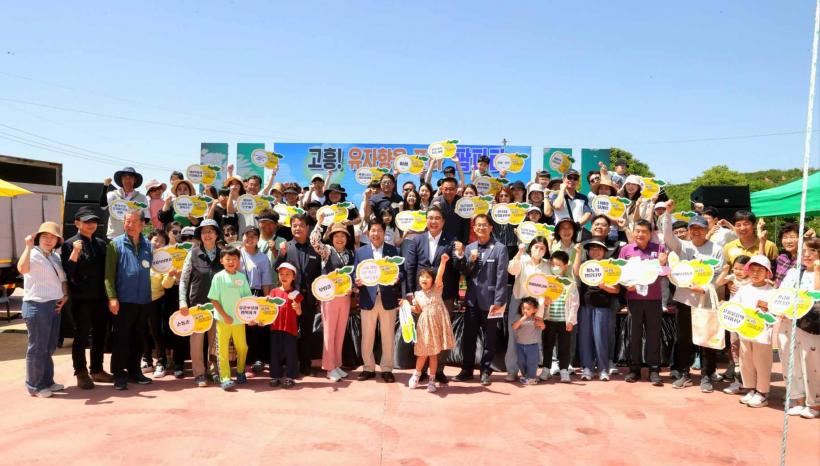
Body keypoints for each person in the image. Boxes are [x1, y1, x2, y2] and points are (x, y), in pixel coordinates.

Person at [660, 202, 725, 393]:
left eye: (700, 228)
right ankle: (684, 374)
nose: (696, 231)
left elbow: (717, 276)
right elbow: (668, 236)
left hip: (705, 299)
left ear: (707, 230)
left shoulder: (716, 249)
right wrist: (667, 214)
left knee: (706, 338)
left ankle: (706, 375)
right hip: (684, 299)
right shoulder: (683, 247)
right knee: (684, 338)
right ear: (688, 231)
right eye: (693, 228)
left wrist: (703, 288)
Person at [452, 214, 509, 386]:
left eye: (484, 225)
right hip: (472, 300)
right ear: (474, 228)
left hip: (491, 301)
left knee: (489, 338)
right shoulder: (470, 248)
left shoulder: (500, 248)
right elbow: (464, 272)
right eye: (478, 225)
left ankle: (485, 370)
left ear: (491, 227)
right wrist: (470, 260)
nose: (481, 228)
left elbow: (502, 277)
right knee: (468, 337)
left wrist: (498, 301)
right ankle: (467, 369)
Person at [404, 206, 458, 385]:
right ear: (426, 220)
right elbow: (410, 267)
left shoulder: (451, 240)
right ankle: (421, 371)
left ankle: (438, 371)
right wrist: (410, 293)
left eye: (437, 218)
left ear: (443, 221)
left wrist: (460, 254)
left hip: (444, 295)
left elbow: (456, 265)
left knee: (441, 333)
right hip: (421, 297)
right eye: (430, 218)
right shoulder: (416, 240)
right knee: (423, 334)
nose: (433, 221)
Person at [60, 206, 112, 389]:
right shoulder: (69, 244)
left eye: (94, 221)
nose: (91, 224)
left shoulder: (101, 243)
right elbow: (68, 272)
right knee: (81, 336)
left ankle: (97, 370)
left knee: (100, 335)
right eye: (87, 221)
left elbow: (107, 271)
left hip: (100, 297)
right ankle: (81, 372)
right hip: (81, 300)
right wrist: (75, 252)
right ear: (77, 223)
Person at [105, 211, 154, 390]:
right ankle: (119, 374)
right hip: (123, 301)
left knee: (139, 338)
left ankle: (135, 371)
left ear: (142, 224)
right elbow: (108, 275)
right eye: (127, 221)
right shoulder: (115, 244)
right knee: (121, 339)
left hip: (144, 301)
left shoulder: (148, 245)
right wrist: (112, 297)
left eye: (134, 222)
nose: (130, 225)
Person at [19, 222, 68, 398]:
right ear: (38, 238)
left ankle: (47, 381)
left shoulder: (55, 257)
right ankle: (34, 386)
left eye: (53, 237)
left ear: (57, 241)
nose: (48, 240)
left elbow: (62, 279)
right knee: (38, 348)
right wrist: (27, 246)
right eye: (45, 236)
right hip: (36, 305)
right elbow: (22, 269)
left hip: (54, 305)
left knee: (49, 346)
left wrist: (65, 295)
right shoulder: (32, 254)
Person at [353, 218, 404, 383]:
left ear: (384, 232)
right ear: (368, 233)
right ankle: (368, 368)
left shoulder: (393, 251)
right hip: (368, 298)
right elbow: (354, 273)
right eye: (373, 230)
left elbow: (401, 271)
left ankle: (387, 368)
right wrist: (356, 280)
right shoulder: (361, 252)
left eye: (379, 230)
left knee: (388, 335)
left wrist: (397, 277)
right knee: (367, 335)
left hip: (387, 297)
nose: (376, 233)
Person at [619, 219, 667, 386]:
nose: (640, 234)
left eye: (644, 231)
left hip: (654, 299)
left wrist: (662, 264)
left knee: (654, 335)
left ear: (650, 234)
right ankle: (634, 369)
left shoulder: (659, 249)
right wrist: (626, 285)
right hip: (634, 299)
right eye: (637, 231)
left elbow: (666, 273)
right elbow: (620, 273)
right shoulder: (626, 250)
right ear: (633, 232)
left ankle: (654, 370)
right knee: (634, 335)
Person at [274, 213, 323, 376]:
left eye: (301, 225)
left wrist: (318, 298)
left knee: (307, 333)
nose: (298, 228)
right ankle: (288, 364)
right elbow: (276, 268)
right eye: (294, 225)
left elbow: (320, 274)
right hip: (289, 298)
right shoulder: (286, 247)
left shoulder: (315, 248)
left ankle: (305, 366)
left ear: (307, 227)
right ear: (291, 227)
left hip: (309, 299)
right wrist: (280, 254)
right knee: (289, 332)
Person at [179, 219, 224, 387]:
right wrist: (182, 301)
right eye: (204, 232)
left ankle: (214, 371)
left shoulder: (224, 254)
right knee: (197, 341)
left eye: (211, 231)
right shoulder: (192, 253)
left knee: (216, 340)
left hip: (218, 305)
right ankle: (199, 373)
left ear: (217, 234)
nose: (207, 234)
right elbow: (184, 280)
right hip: (197, 305)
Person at [778, 238, 819, 418]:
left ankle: (815, 403)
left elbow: (817, 297)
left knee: (812, 362)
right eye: (803, 251)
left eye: (812, 250)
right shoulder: (793, 272)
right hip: (789, 322)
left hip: (811, 325)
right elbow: (782, 294)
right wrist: (781, 308)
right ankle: (798, 399)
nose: (807, 255)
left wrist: (817, 272)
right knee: (790, 360)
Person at [310, 218, 354, 382]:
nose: (340, 239)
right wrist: (319, 223)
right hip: (329, 297)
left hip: (345, 297)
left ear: (347, 238)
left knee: (340, 332)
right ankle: (329, 368)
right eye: (336, 236)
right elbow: (314, 241)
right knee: (329, 332)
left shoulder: (350, 254)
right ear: (332, 237)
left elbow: (352, 275)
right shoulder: (327, 251)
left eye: (343, 236)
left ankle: (337, 364)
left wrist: (353, 287)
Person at [406, 254, 456, 393]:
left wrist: (443, 262)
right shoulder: (417, 294)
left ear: (433, 281)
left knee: (434, 354)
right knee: (422, 353)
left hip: (437, 325)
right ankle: (416, 374)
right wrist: (406, 306)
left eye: (428, 277)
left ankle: (432, 380)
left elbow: (440, 275)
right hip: (424, 326)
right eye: (422, 277)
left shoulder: (436, 289)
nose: (424, 279)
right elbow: (417, 310)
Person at [573, 240, 620, 381]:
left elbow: (616, 289)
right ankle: (587, 368)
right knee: (585, 338)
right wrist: (578, 253)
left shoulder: (609, 267)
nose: (595, 251)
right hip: (585, 305)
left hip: (603, 307)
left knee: (601, 338)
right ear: (588, 252)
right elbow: (575, 272)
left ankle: (603, 369)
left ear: (604, 252)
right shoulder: (584, 265)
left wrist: (604, 286)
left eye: (599, 249)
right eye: (592, 249)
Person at [732, 255, 775, 408]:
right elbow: (734, 306)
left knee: (761, 362)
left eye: (760, 270)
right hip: (745, 332)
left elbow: (774, 313)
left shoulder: (772, 292)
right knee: (746, 361)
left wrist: (765, 314)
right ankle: (750, 388)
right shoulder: (744, 289)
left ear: (767, 272)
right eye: (753, 270)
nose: (755, 273)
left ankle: (762, 393)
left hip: (762, 334)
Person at [505, 237, 550, 381]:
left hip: (537, 305)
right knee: (514, 335)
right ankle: (512, 370)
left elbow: (550, 285)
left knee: (534, 337)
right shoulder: (523, 260)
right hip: (519, 301)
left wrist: (547, 301)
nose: (539, 250)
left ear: (546, 250)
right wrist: (519, 253)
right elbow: (512, 270)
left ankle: (530, 372)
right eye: (536, 247)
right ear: (531, 248)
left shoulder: (547, 265)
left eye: (542, 248)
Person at [207, 247, 252, 390]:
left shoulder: (242, 277)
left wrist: (250, 317)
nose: (231, 262)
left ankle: (240, 371)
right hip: (223, 320)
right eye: (228, 259)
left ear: (238, 261)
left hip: (239, 320)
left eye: (234, 259)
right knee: (223, 349)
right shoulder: (218, 277)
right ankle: (225, 377)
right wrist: (225, 316)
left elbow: (247, 299)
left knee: (242, 347)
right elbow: (213, 299)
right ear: (221, 261)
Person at [238, 226, 274, 376]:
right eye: (247, 235)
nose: (250, 239)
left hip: (256, 294)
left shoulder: (263, 258)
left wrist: (266, 303)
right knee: (242, 331)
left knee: (257, 330)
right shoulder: (236, 254)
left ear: (258, 239)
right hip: (238, 295)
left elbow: (266, 281)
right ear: (242, 237)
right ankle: (244, 361)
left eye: (253, 236)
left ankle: (258, 359)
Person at [541, 251, 579, 383]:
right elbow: (540, 298)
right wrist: (544, 303)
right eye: (552, 265)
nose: (555, 267)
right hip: (549, 319)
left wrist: (571, 321)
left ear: (565, 266)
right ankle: (546, 369)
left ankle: (564, 370)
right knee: (547, 345)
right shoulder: (546, 281)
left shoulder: (570, 283)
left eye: (558, 265)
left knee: (564, 347)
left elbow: (574, 303)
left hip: (564, 321)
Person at [716, 254, 751, 393]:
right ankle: (737, 381)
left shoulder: (751, 281)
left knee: (746, 349)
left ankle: (748, 382)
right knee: (734, 345)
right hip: (733, 319)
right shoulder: (732, 278)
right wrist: (725, 272)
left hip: (747, 320)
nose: (738, 271)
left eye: (741, 269)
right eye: (735, 268)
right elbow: (719, 282)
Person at [144, 230, 176, 378]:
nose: (158, 244)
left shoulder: (164, 260)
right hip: (139, 299)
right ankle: (147, 360)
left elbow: (166, 284)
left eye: (162, 242)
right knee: (141, 331)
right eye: (156, 240)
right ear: (149, 240)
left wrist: (170, 276)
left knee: (156, 331)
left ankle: (161, 362)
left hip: (156, 300)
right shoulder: (141, 254)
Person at [268, 262, 304, 388]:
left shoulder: (296, 294)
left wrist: (297, 307)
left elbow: (299, 313)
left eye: (288, 274)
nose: (284, 276)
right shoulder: (273, 292)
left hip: (290, 328)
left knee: (291, 352)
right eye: (281, 274)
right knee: (275, 351)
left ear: (293, 277)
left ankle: (291, 376)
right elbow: (268, 310)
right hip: (275, 327)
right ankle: (275, 375)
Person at [100, 166, 150, 239]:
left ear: (135, 180)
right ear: (121, 180)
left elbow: (147, 218)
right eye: (125, 178)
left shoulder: (142, 198)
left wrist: (135, 221)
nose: (127, 180)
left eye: (130, 178)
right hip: (114, 236)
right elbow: (103, 206)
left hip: (133, 237)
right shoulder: (113, 194)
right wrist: (105, 186)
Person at [511, 297, 545, 385]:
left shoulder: (536, 318)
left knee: (532, 362)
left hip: (532, 346)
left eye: (528, 309)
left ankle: (532, 377)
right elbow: (514, 327)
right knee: (521, 362)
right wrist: (522, 319)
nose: (525, 310)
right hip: (520, 345)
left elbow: (543, 327)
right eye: (523, 308)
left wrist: (541, 324)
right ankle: (525, 376)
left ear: (535, 310)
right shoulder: (519, 318)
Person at [431, 177, 471, 244]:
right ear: (441, 189)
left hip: (458, 241)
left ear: (456, 189)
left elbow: (466, 225)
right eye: (446, 189)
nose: (448, 192)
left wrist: (464, 243)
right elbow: (431, 222)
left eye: (451, 189)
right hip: (439, 241)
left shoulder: (463, 202)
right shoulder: (436, 201)